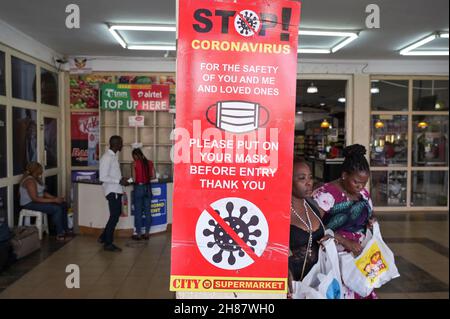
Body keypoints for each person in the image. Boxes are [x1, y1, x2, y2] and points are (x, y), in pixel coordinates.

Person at [312, 144, 377, 299]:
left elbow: (368, 213)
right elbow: (314, 227)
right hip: (335, 259)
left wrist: (370, 221)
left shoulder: (363, 193)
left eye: (364, 183)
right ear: (344, 175)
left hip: (359, 257)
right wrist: (345, 241)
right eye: (356, 182)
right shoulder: (325, 194)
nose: (361, 187)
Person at [288, 158, 328, 298]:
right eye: (301, 178)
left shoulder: (312, 206)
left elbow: (321, 233)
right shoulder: (280, 213)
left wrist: (327, 240)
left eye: (310, 177)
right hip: (293, 284)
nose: (309, 182)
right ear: (288, 180)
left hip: (316, 282)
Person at [19, 162, 71, 241]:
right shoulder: (29, 181)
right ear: (36, 170)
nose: (42, 169)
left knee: (63, 204)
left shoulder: (36, 178)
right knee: (56, 209)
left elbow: (43, 193)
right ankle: (59, 233)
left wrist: (56, 198)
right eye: (40, 168)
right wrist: (54, 200)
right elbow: (35, 198)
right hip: (29, 204)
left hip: (36, 201)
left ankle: (65, 229)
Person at [98, 135, 130, 252]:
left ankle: (103, 237)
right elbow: (102, 177)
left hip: (116, 189)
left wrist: (122, 179)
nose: (122, 145)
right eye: (121, 143)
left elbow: (113, 174)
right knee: (114, 217)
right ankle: (108, 243)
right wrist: (119, 181)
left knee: (114, 216)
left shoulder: (113, 156)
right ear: (115, 144)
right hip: (112, 191)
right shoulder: (107, 158)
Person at [131, 148, 155, 241]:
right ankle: (147, 234)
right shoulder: (150, 162)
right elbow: (153, 176)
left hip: (139, 188)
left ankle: (139, 234)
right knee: (148, 212)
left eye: (133, 156)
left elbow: (133, 179)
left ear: (136, 156)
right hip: (148, 188)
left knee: (138, 212)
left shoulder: (135, 163)